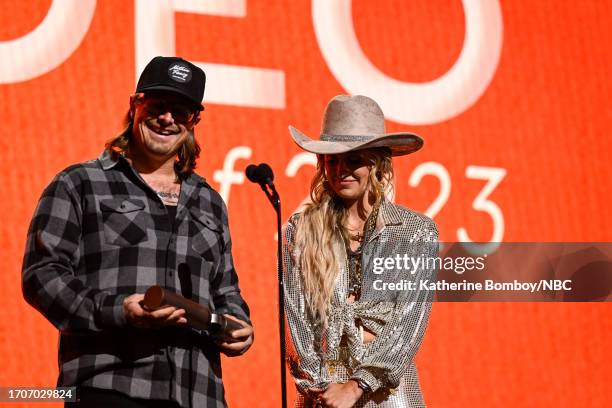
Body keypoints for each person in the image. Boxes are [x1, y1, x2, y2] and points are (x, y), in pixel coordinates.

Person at [22, 56, 253, 408]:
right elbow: (41, 274)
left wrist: (238, 324)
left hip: (199, 395)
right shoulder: (80, 183)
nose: (166, 118)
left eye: (180, 111)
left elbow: (226, 289)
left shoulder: (210, 201)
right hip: (110, 388)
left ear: (194, 122)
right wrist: (117, 311)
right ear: (135, 105)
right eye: (158, 105)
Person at [283, 95, 438, 408]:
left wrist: (356, 386)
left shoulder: (415, 231)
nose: (341, 169)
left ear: (378, 162)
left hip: (391, 398)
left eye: (354, 160)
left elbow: (408, 325)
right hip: (321, 396)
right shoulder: (300, 230)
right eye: (332, 160)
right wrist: (324, 387)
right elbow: (294, 321)